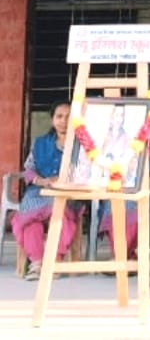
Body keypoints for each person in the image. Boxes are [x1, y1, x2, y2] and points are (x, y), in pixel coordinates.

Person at [13, 102, 81, 281]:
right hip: (39, 191)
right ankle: (36, 263)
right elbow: (29, 170)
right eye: (59, 116)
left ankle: (54, 262)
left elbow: (86, 172)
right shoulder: (40, 143)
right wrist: (41, 181)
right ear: (52, 120)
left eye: (68, 117)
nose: (63, 121)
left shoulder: (81, 145)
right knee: (30, 221)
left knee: (59, 215)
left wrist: (61, 180)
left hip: (67, 193)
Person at [99, 116, 150, 261]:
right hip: (121, 183)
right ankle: (124, 256)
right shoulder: (123, 134)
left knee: (134, 205)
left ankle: (122, 257)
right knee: (114, 203)